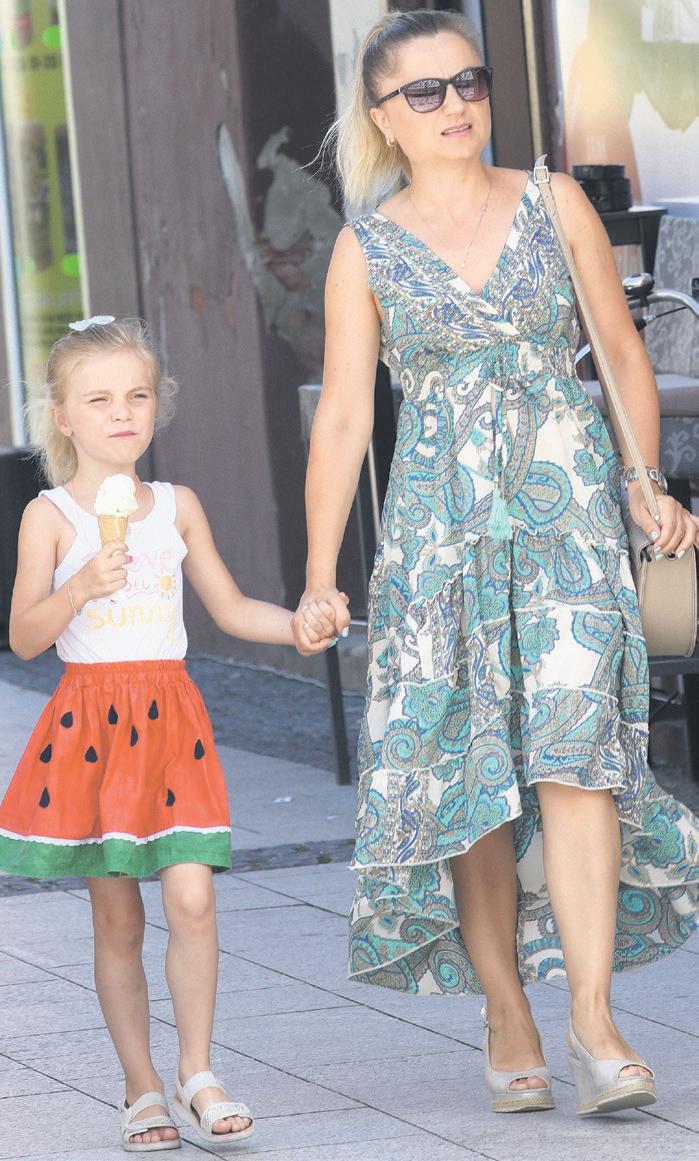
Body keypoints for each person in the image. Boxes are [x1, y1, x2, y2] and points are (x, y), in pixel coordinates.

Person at [293, 8, 699, 1117]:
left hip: (569, 519)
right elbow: (343, 420)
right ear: (383, 116)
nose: (456, 105)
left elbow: (621, 355)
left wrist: (644, 483)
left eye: (468, 81)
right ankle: (507, 1008)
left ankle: (595, 1023)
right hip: (439, 540)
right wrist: (322, 573)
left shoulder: (553, 201)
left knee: (579, 757)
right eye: (424, 91)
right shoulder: (365, 249)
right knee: (471, 777)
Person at [0, 316, 295, 1150]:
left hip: (171, 719)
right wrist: (79, 587)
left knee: (192, 896)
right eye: (98, 400)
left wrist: (300, 625)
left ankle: (197, 1069)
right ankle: (141, 1086)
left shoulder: (176, 506)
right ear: (63, 417)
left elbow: (230, 608)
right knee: (119, 919)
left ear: (156, 407)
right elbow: (23, 635)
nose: (121, 412)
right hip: (89, 723)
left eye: (136, 395)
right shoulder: (49, 516)